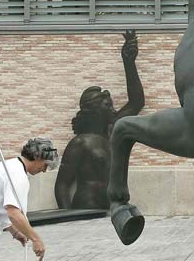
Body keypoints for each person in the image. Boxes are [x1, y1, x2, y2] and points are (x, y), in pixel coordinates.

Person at [55, 30, 145, 209]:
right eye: (107, 106)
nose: (113, 109)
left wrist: (129, 62)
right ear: (94, 111)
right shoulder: (80, 143)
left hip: (110, 210)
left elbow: (136, 102)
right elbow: (62, 185)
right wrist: (66, 218)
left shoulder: (113, 131)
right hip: (84, 209)